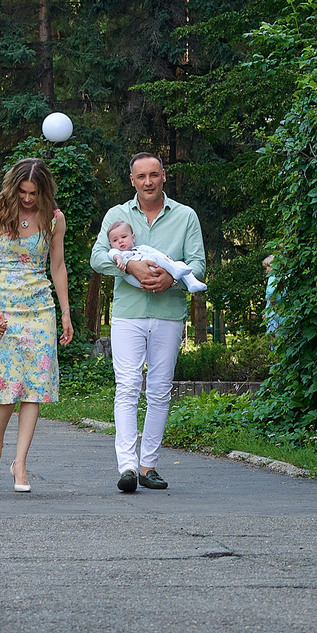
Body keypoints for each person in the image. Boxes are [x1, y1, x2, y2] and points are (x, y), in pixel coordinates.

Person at [90, 153, 205, 494]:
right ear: (132, 180)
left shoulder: (185, 216)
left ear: (164, 176)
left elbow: (198, 263)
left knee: (158, 390)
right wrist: (130, 267)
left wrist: (172, 277)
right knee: (127, 387)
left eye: (154, 174)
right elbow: (98, 257)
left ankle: (148, 466)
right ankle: (126, 466)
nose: (148, 181)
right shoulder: (117, 215)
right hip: (129, 313)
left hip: (168, 313)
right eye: (141, 176)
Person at [0, 156, 74, 493]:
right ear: (14, 187)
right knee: (8, 385)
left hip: (40, 309)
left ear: (44, 190)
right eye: (23, 192)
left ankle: (20, 463)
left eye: (34, 192)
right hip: (4, 308)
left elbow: (58, 266)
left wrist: (64, 311)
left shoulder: (54, 219)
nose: (28, 199)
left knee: (35, 386)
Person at [105, 220, 207, 292]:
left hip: (155, 269)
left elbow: (156, 252)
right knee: (155, 258)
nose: (120, 241)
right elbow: (113, 254)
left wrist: (167, 260)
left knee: (180, 264)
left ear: (133, 237)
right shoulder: (119, 253)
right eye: (115, 240)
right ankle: (175, 271)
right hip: (136, 278)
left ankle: (193, 283)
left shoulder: (141, 248)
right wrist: (120, 260)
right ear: (111, 245)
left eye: (123, 237)